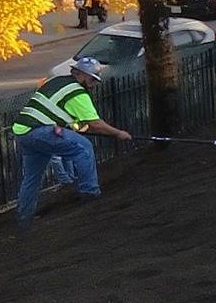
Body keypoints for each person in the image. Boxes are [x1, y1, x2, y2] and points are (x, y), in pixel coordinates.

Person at [10, 55, 133, 222]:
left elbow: (56, 110)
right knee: (84, 148)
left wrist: (71, 128)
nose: (93, 84)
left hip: (23, 131)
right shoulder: (77, 92)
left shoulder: (56, 81)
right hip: (41, 130)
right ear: (81, 74)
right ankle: (91, 193)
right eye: (92, 79)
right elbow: (95, 123)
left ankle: (25, 217)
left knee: (32, 177)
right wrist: (118, 133)